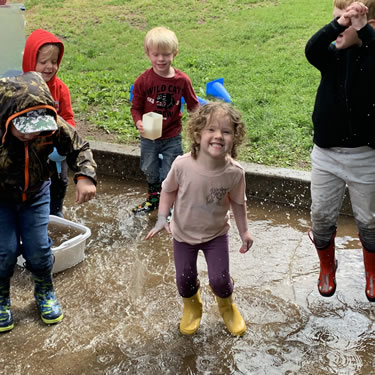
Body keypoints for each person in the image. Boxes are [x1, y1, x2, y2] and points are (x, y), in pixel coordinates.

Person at [0, 72, 97, 332]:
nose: (31, 135)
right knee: (5, 251)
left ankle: (44, 289)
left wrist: (85, 175)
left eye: (38, 129)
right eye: (24, 128)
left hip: (35, 194)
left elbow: (79, 146)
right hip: (2, 200)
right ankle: (1, 297)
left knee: (39, 249)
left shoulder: (50, 122)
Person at [146, 102, 254, 336]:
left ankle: (227, 306)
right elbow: (168, 190)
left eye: (226, 131)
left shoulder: (234, 172)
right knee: (184, 279)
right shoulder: (182, 165)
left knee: (220, 280)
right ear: (197, 134)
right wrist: (162, 217)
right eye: (211, 130)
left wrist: (244, 231)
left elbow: (238, 202)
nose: (218, 136)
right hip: (183, 234)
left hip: (216, 235)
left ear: (235, 138)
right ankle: (193, 307)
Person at [305, 0, 375, 301]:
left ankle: (372, 272)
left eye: (347, 22)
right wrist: (339, 24)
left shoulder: (372, 56)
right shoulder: (331, 55)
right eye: (336, 20)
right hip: (327, 156)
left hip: (366, 157)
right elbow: (311, 49)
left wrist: (364, 33)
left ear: (367, 25)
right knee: (320, 215)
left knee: (369, 220)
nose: (338, 27)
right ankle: (326, 266)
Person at [130, 26, 199, 214]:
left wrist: (200, 127)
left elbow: (194, 106)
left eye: (166, 55)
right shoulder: (143, 81)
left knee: (171, 172)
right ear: (148, 53)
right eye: (156, 54)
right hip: (149, 137)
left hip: (172, 135)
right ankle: (153, 199)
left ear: (174, 53)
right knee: (149, 168)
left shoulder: (182, 80)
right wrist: (139, 123)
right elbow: (135, 108)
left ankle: (170, 206)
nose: (161, 59)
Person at [23, 29, 75, 217]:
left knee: (58, 188)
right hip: (31, 157)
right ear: (30, 60)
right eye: (43, 62)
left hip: (56, 157)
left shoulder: (60, 89)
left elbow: (68, 118)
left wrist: (63, 147)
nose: (49, 67)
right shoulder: (21, 90)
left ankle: (56, 218)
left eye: (54, 62)